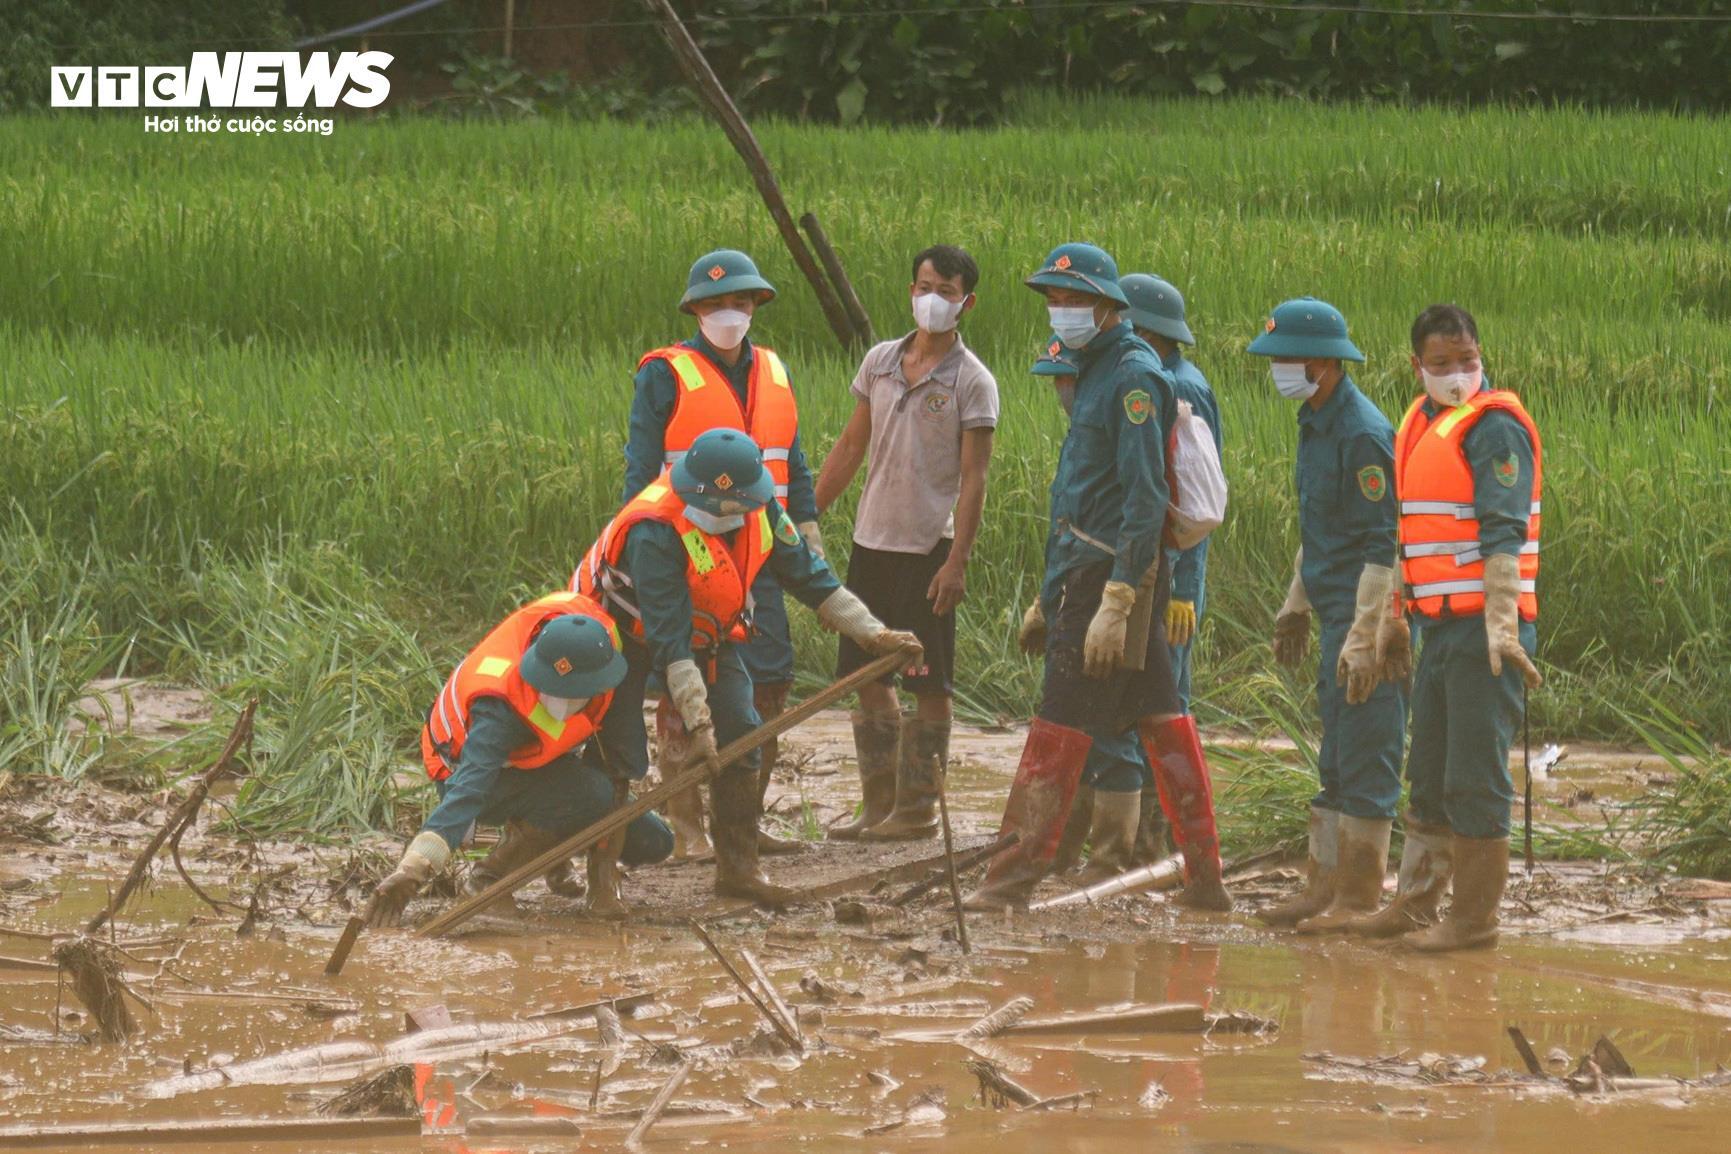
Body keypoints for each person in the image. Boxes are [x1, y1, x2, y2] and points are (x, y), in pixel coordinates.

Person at [966, 243, 1232, 912]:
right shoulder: (1093, 371)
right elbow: (1080, 499)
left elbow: (1143, 499)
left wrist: (1116, 599)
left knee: (1058, 722)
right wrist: (1043, 596)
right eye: (1054, 300)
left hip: (1115, 582)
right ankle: (1205, 880)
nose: (1061, 311)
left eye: (1073, 299)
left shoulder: (1133, 378)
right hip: (1087, 577)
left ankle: (1008, 881)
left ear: (1109, 305)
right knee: (1160, 716)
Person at [575, 428, 920, 905]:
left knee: (743, 732)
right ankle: (602, 877)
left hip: (708, 635)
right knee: (620, 752)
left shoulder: (762, 509)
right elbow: (669, 641)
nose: (728, 520)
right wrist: (697, 725)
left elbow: (811, 577)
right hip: (620, 634)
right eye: (718, 512)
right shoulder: (655, 529)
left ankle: (738, 869)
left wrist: (874, 633)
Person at [1346, 304, 1542, 951]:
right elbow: (1414, 535)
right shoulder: (1416, 423)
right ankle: (1415, 904)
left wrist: (1500, 622)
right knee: (1426, 769)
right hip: (1436, 631)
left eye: (1466, 360)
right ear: (1416, 366)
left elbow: (1502, 532)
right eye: (1440, 364)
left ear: (1480, 355)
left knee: (1472, 775)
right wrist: (1394, 618)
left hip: (1486, 635)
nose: (1456, 374)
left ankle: (1473, 921)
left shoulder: (1493, 429)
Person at [621, 248, 820, 860]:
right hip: (688, 553)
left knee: (769, 684)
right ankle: (688, 827)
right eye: (713, 304)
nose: (727, 312)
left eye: (738, 301)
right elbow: (640, 470)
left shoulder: (776, 373)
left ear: (757, 304)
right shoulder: (665, 373)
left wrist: (807, 531)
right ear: (694, 311)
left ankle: (743, 819)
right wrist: (643, 549)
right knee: (683, 685)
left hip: (759, 554)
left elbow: (794, 459)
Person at [813, 245, 998, 842]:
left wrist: (958, 562)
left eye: (946, 290)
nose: (932, 299)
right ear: (910, 290)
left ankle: (916, 812)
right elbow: (849, 449)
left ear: (965, 303)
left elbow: (974, 478)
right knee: (868, 677)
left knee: (929, 683)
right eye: (924, 286)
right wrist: (802, 518)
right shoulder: (880, 362)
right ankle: (881, 806)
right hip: (872, 544)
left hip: (929, 551)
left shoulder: (973, 381)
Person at [364, 590, 673, 927]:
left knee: (654, 841)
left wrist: (603, 874)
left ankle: (553, 845)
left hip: (545, 764)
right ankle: (487, 882)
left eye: (571, 693)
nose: (558, 701)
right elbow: (468, 790)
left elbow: (617, 766)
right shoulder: (498, 707)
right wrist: (413, 870)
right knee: (589, 795)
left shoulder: (611, 664)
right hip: (464, 774)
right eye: (550, 688)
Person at [1247, 297, 1410, 934]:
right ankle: (1322, 887)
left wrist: (1368, 636)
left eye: (1285, 357)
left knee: (1368, 745)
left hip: (1367, 616)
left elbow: (1382, 542)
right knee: (1336, 751)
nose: (1278, 369)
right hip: (1334, 609)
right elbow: (1321, 529)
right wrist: (1297, 603)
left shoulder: (1363, 433)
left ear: (1320, 361)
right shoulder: (1314, 420)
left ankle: (1359, 897)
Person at [1121, 271, 1227, 875]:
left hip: (1172, 575)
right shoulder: (1157, 378)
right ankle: (1143, 838)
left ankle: (1162, 843)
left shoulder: (1183, 388)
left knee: (1168, 705)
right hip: (1151, 568)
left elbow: (1192, 497)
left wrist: (1184, 588)